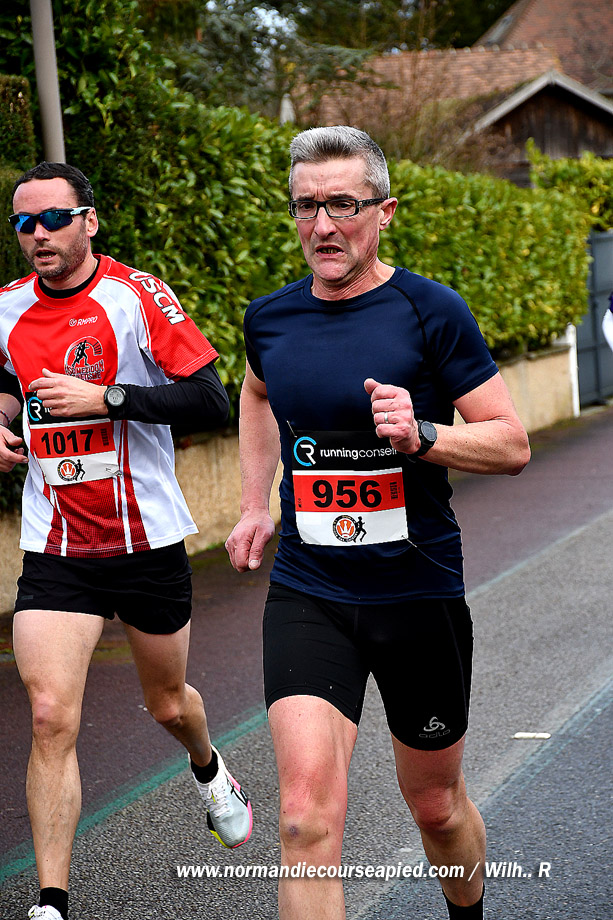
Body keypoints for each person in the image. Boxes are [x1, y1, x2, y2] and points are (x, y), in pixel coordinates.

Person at [226, 126, 531, 920]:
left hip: (415, 594)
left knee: (434, 806)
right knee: (303, 818)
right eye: (305, 206)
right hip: (310, 589)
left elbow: (510, 444)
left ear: (383, 212)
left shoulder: (430, 311)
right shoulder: (269, 319)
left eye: (342, 205)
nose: (322, 225)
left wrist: (423, 434)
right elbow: (255, 392)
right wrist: (255, 502)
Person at [0, 162, 252, 920]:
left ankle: (208, 767)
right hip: (57, 546)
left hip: (146, 542)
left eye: (54, 218)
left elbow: (210, 398)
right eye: (24, 223)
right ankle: (51, 902)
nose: (39, 234)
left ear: (89, 220)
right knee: (50, 715)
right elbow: (4, 379)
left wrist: (106, 398)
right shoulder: (6, 307)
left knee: (168, 704)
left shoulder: (137, 296)